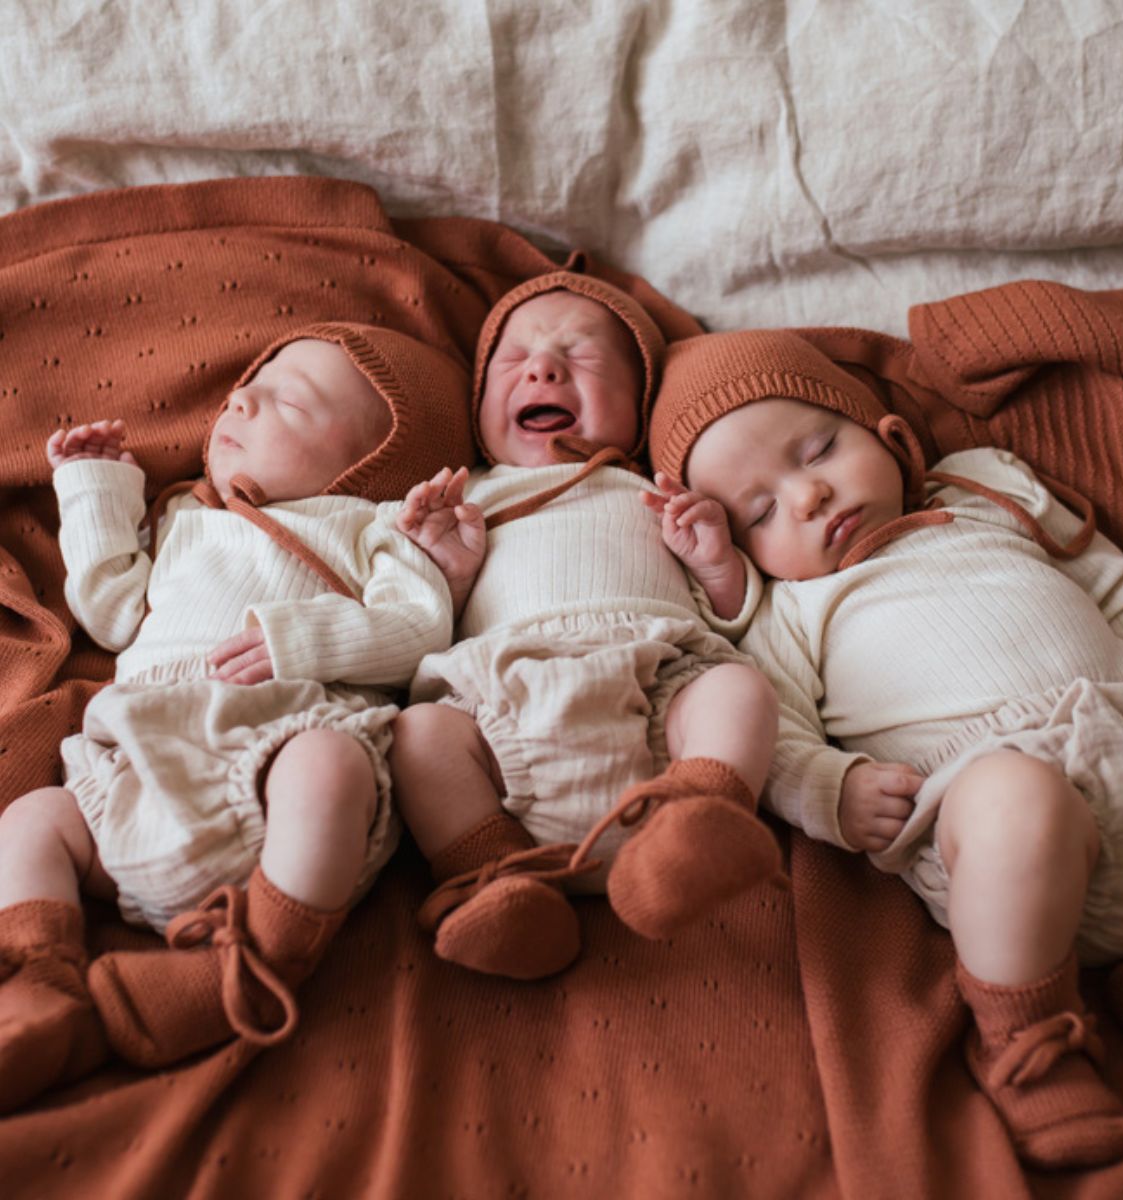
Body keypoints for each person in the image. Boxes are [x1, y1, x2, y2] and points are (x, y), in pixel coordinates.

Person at [644, 328, 1123, 1171]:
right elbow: (777, 735)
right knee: (1019, 800)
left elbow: (1115, 584)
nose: (808, 494)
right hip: (992, 818)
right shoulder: (791, 612)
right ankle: (1027, 1036)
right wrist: (835, 787)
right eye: (760, 511)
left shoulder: (984, 492)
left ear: (888, 432)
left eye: (820, 446)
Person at [0, 323, 473, 1113]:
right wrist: (95, 490)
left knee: (331, 768)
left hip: (277, 754)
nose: (242, 398)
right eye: (246, 389)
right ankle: (37, 974)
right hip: (137, 765)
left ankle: (258, 960)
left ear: (369, 463)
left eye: (288, 399)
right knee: (35, 817)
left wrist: (297, 637)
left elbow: (419, 631)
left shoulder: (368, 528)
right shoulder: (188, 513)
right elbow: (112, 611)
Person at [391, 271, 781, 982]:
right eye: (517, 360)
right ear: (478, 407)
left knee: (738, 689)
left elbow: (737, 618)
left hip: (656, 694)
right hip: (500, 709)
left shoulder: (655, 489)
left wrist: (717, 562)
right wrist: (446, 571)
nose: (544, 367)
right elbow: (414, 629)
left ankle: (701, 816)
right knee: (418, 736)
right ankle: (496, 882)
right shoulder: (469, 495)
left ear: (641, 406)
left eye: (584, 356)